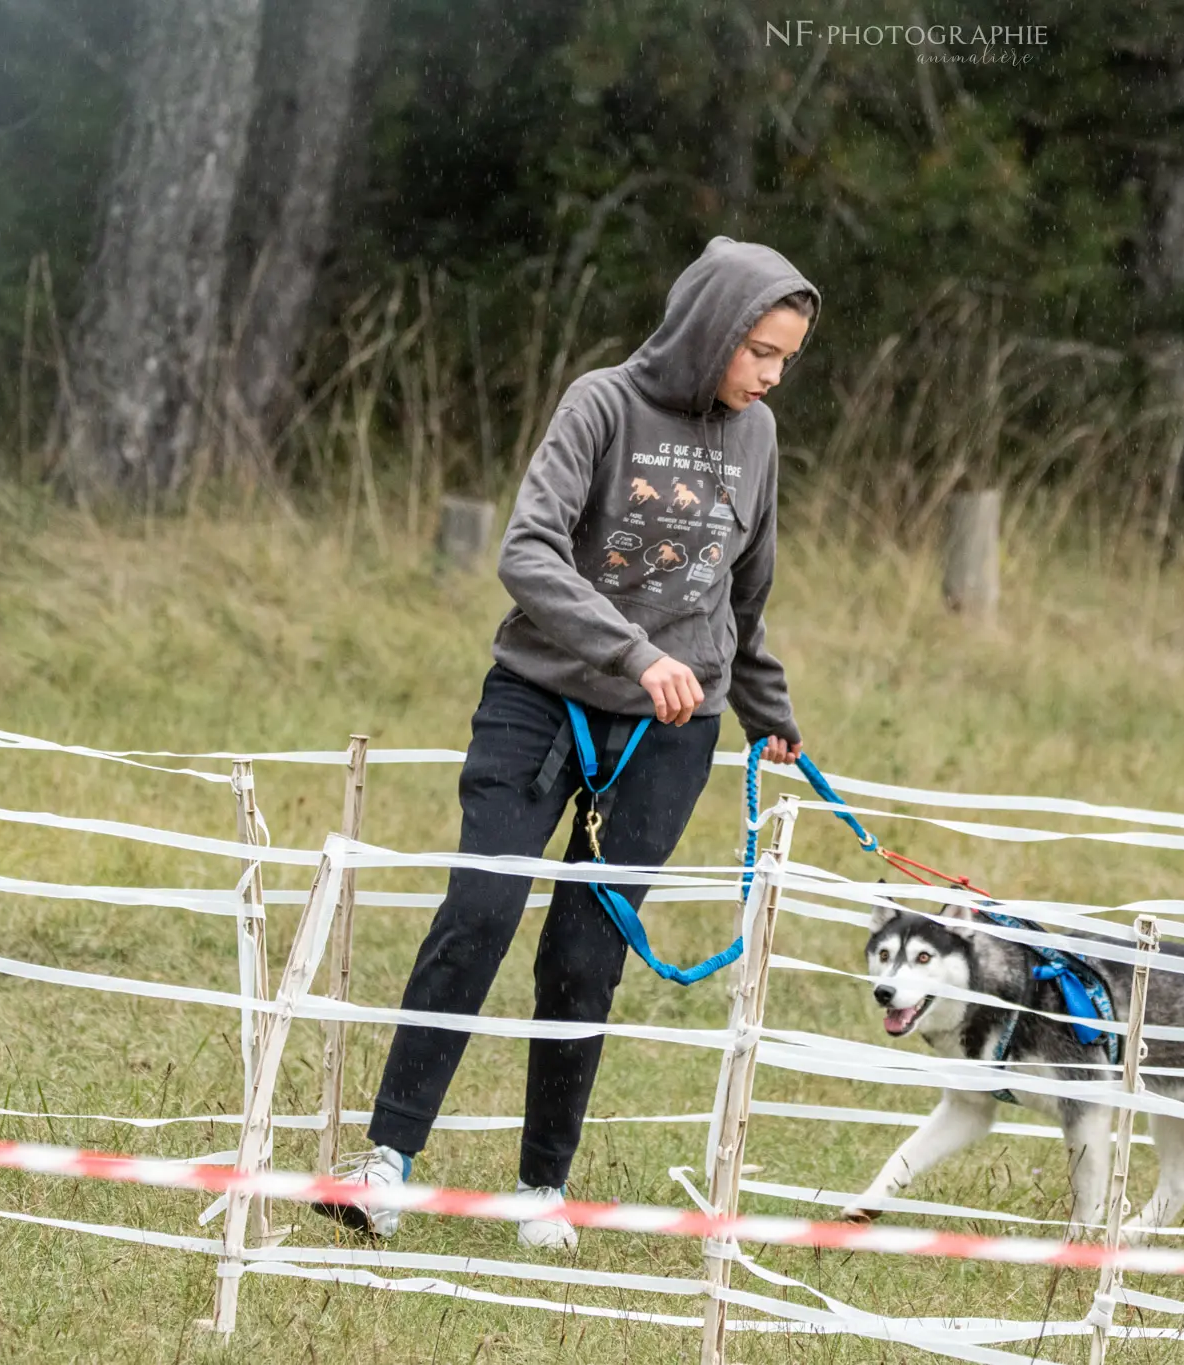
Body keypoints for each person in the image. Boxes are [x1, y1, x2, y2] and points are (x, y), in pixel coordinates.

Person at [315, 237, 816, 1249]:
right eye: (756, 351)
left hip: (674, 734)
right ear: (713, 327)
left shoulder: (755, 438)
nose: (767, 377)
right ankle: (384, 1164)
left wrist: (770, 720)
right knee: (480, 909)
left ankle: (542, 1187)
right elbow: (527, 551)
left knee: (585, 955)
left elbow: (743, 598)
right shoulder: (601, 404)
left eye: (783, 360)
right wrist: (633, 655)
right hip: (543, 702)